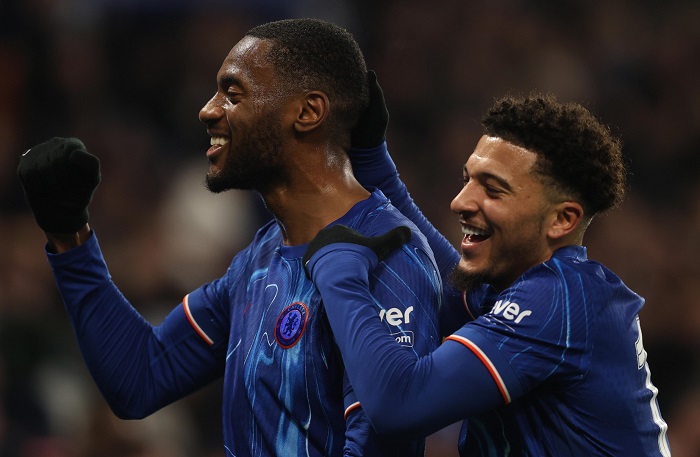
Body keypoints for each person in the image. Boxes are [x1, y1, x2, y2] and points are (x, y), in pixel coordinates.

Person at [16, 19, 443, 457]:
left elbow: (381, 446)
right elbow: (140, 377)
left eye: (233, 94)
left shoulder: (389, 254)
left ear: (307, 112)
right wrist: (70, 236)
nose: (207, 110)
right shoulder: (257, 261)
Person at [304, 84, 672, 455]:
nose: (459, 202)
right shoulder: (526, 287)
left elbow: (399, 404)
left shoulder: (560, 299)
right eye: (467, 180)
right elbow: (445, 284)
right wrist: (371, 159)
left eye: (493, 190)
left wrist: (339, 275)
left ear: (562, 220)